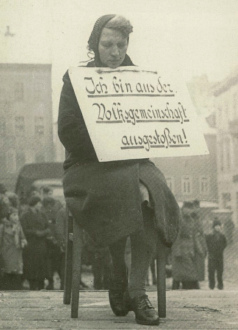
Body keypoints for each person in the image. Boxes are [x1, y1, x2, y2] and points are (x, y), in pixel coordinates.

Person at [58, 14, 180, 326]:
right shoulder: (75, 80)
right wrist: (106, 142)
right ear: (94, 44)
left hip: (133, 160)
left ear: (127, 45)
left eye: (120, 45)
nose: (114, 51)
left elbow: (151, 123)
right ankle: (117, 269)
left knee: (152, 189)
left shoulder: (139, 79)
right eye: (107, 44)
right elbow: (68, 132)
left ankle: (136, 289)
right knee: (124, 187)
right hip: (88, 165)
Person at [20, 196, 50, 290]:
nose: (40, 205)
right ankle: (32, 285)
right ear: (35, 204)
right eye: (39, 203)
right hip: (31, 244)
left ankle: (41, 285)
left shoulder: (42, 214)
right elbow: (24, 229)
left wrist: (44, 232)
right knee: (32, 266)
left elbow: (48, 226)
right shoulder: (25, 215)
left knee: (41, 265)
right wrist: (35, 233)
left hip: (41, 244)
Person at [0, 207, 27, 290]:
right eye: (14, 215)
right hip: (7, 252)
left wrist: (23, 242)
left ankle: (16, 288)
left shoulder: (18, 226)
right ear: (9, 216)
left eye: (17, 215)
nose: (16, 217)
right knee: (8, 270)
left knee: (16, 271)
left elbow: (23, 237)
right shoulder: (3, 227)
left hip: (17, 251)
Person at [206, 219, 227, 290]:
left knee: (220, 271)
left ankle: (220, 284)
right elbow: (207, 244)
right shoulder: (209, 236)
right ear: (213, 227)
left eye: (219, 226)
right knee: (211, 271)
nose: (218, 227)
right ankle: (211, 284)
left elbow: (225, 244)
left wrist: (221, 249)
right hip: (212, 255)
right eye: (216, 226)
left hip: (220, 256)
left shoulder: (222, 236)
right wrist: (210, 250)